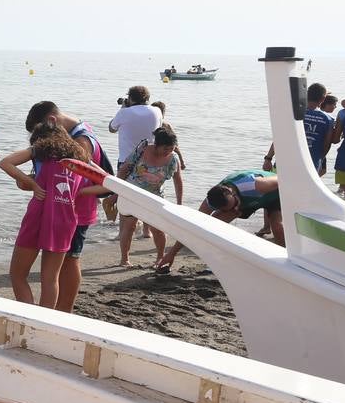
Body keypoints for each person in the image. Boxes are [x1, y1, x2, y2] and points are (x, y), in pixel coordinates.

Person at [1, 126, 104, 309]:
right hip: (64, 220)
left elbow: (5, 163)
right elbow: (107, 183)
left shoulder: (40, 149)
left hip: (38, 216)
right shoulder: (80, 157)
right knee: (50, 279)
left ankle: (30, 316)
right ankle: (44, 322)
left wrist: (31, 183)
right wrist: (78, 192)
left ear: (39, 139)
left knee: (18, 275)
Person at [24, 101, 111, 312]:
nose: (45, 139)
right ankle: (61, 310)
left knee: (70, 260)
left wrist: (78, 192)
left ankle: (64, 311)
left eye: (44, 133)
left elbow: (94, 179)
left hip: (74, 211)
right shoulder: (78, 129)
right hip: (68, 208)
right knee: (65, 262)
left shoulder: (80, 141)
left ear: (52, 121)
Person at [156, 170, 283, 272]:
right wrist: (171, 254)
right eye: (230, 209)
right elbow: (192, 227)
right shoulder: (210, 202)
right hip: (246, 202)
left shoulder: (254, 184)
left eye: (235, 205)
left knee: (277, 227)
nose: (236, 210)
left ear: (232, 193)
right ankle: (216, 262)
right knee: (211, 227)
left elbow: (283, 178)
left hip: (274, 194)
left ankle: (284, 264)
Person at [117, 127, 183, 266]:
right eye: (165, 148)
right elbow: (123, 169)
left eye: (171, 148)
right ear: (157, 145)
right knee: (129, 227)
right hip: (131, 192)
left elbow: (178, 181)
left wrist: (179, 204)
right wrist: (117, 191)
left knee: (157, 228)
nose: (168, 151)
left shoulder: (173, 159)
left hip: (154, 196)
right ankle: (125, 259)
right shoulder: (142, 149)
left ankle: (160, 258)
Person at [263, 82, 332, 176]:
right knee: (303, 190)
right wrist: (319, 159)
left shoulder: (291, 114)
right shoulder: (328, 120)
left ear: (306, 94)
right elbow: (327, 145)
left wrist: (268, 158)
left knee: (279, 189)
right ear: (323, 99)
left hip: (285, 163)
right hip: (311, 166)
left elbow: (279, 138)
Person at [108, 86, 163, 164]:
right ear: (147, 98)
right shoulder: (157, 111)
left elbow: (112, 129)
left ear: (130, 98)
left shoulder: (124, 112)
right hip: (149, 161)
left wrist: (123, 108)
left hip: (126, 161)